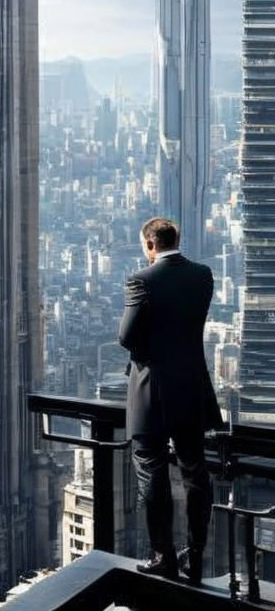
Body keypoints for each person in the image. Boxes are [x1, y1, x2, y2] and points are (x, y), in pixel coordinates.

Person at [118, 217, 223, 584]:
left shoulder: (141, 281)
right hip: (193, 389)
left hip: (152, 392)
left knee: (152, 471)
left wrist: (150, 354)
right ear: (175, 239)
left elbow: (127, 337)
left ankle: (163, 556)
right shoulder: (203, 275)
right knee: (196, 473)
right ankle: (195, 556)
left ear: (150, 245)